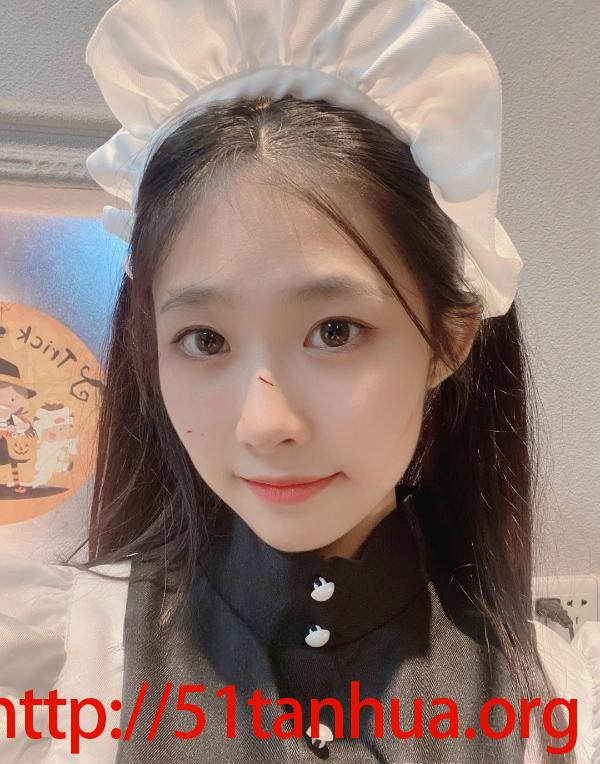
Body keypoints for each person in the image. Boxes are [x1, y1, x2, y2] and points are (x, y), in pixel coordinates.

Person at [0, 1, 597, 762]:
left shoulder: (555, 701)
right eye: (204, 340)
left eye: (335, 331)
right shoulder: (58, 671)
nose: (264, 425)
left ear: (450, 340)